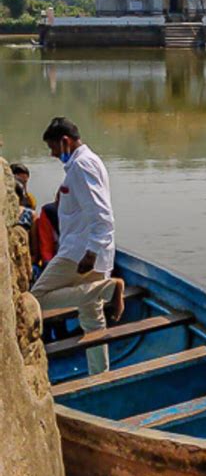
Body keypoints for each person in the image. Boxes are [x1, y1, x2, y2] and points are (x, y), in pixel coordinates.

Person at [32, 116, 125, 375]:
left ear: (65, 141)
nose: (52, 154)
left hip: (80, 252)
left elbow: (102, 213)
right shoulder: (86, 163)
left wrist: (91, 251)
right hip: (90, 250)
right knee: (92, 319)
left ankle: (107, 289)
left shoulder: (82, 166)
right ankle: (101, 376)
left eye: (52, 148)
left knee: (36, 298)